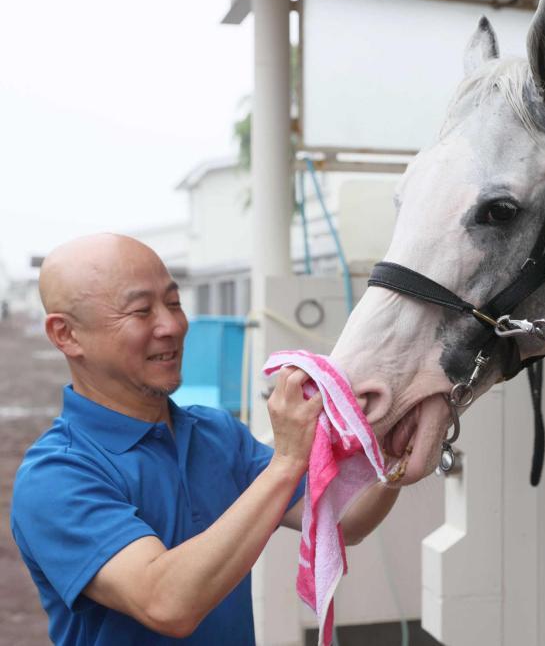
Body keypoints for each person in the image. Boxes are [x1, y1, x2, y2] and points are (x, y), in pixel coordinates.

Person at [10, 233, 400, 645]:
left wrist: (394, 454)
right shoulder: (56, 476)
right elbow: (167, 603)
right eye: (142, 311)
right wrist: (287, 461)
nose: (173, 325)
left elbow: (344, 520)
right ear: (66, 335)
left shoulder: (215, 434)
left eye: (174, 303)